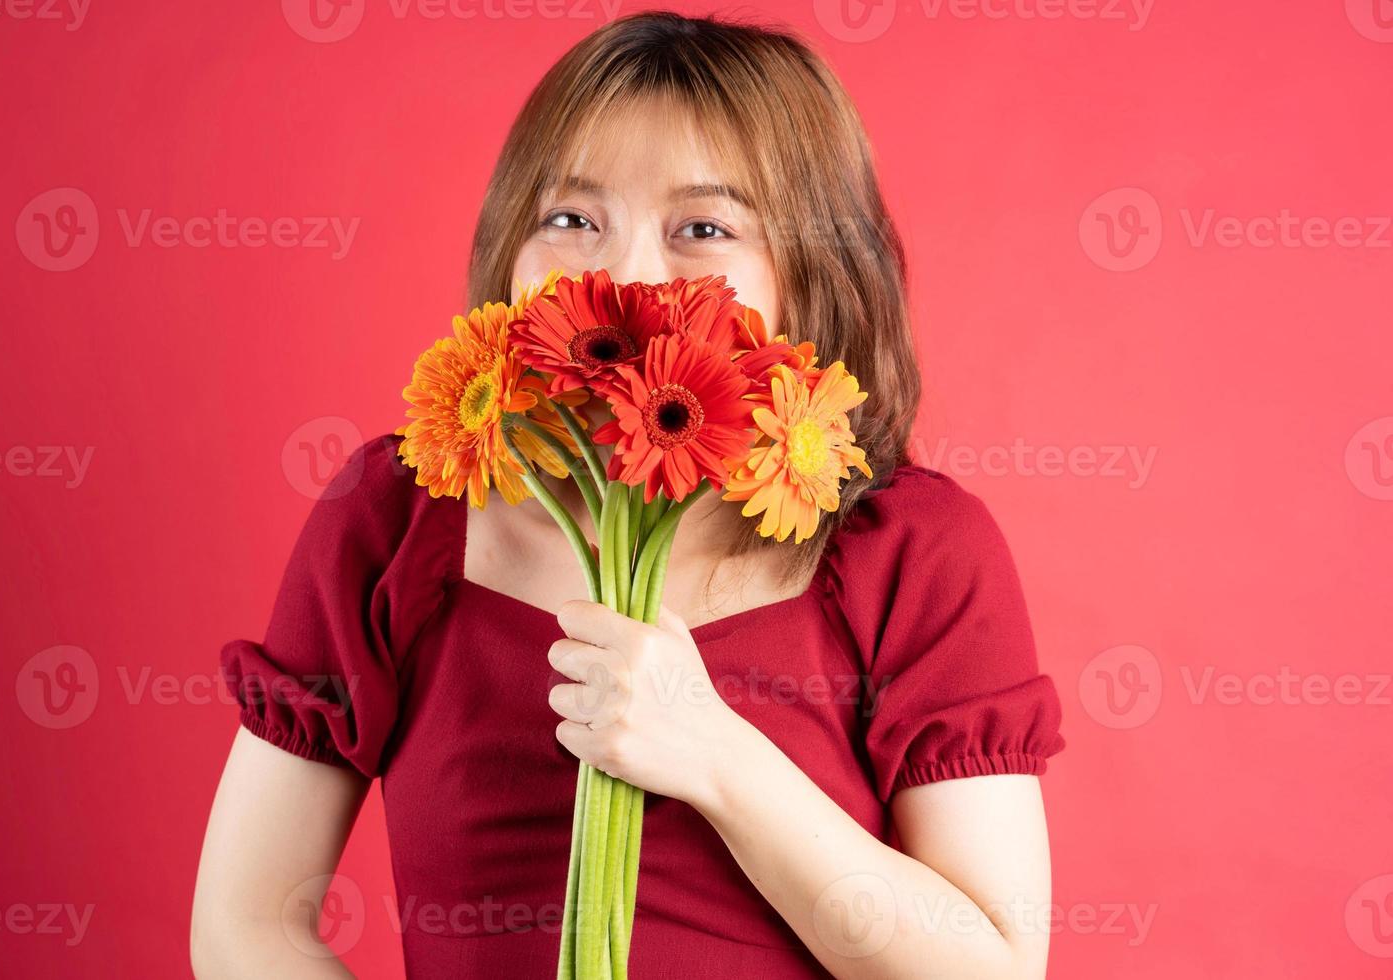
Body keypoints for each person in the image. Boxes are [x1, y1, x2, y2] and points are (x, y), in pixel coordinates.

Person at [192, 12, 1065, 978]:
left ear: (817, 275)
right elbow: (246, 925)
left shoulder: (918, 549)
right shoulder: (394, 510)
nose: (627, 277)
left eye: (703, 228)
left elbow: (991, 970)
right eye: (572, 219)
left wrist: (714, 755)